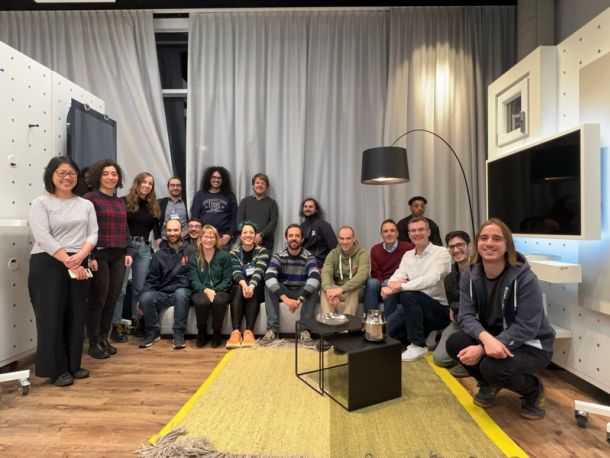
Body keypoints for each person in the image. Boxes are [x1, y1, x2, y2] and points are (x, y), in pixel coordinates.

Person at [446, 218, 555, 420]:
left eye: (497, 238)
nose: (489, 243)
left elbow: (526, 327)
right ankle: (489, 383)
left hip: (531, 345)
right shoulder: (470, 276)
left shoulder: (526, 278)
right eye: (484, 238)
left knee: (492, 367)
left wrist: (482, 348)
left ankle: (533, 390)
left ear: (507, 246)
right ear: (477, 244)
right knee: (454, 344)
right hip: (493, 338)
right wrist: (486, 340)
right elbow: (466, 315)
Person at [28, 156, 98, 387]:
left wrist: (81, 256)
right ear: (51, 175)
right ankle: (57, 370)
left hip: (79, 260)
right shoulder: (41, 203)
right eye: (62, 173)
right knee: (51, 317)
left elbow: (93, 233)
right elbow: (42, 235)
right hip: (48, 263)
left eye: (71, 173)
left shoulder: (85, 204)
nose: (67, 177)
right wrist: (69, 260)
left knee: (76, 314)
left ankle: (73, 365)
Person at [83, 160, 133, 359]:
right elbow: (85, 229)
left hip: (118, 254)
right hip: (99, 255)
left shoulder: (120, 202)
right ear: (98, 176)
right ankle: (93, 341)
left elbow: (125, 229)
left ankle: (104, 338)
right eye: (106, 173)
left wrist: (129, 251)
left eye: (114, 174)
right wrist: (91, 255)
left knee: (112, 299)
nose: (111, 177)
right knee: (98, 299)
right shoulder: (90, 199)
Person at [383, 216, 451, 362]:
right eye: (413, 231)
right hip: (413, 307)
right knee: (387, 333)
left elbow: (432, 279)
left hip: (438, 310)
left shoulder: (442, 252)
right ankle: (420, 335)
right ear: (409, 234)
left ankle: (418, 345)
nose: (417, 233)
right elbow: (396, 276)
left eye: (421, 230)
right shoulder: (408, 255)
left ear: (428, 232)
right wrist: (391, 285)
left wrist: (401, 286)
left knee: (408, 294)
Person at [110, 172, 161, 343]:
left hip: (144, 249)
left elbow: (156, 228)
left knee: (140, 288)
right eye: (144, 182)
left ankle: (137, 322)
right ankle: (116, 325)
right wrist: (126, 249)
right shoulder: (123, 202)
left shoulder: (153, 205)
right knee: (121, 288)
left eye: (150, 183)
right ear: (137, 183)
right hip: (126, 247)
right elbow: (119, 226)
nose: (147, 185)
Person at [138, 219, 197, 350]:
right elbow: (151, 280)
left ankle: (178, 333)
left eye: (175, 230)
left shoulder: (192, 251)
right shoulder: (159, 255)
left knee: (181, 293)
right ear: (165, 232)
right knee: (145, 298)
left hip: (184, 292)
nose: (172, 233)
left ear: (182, 231)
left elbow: (197, 275)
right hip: (164, 294)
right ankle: (153, 332)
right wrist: (142, 299)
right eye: (169, 230)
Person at [261, 224, 321, 346]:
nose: (294, 238)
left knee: (314, 286)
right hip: (285, 290)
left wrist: (299, 300)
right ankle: (273, 330)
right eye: (291, 236)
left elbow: (315, 276)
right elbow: (269, 275)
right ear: (286, 238)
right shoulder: (279, 255)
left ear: (302, 239)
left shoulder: (308, 256)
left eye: (297, 236)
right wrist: (286, 300)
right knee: (269, 285)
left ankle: (303, 331)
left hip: (301, 291)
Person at [432, 230, 471, 378]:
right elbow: (452, 306)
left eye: (460, 245)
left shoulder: (482, 270)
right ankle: (465, 352)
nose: (456, 250)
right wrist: (453, 311)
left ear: (469, 246)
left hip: (480, 320)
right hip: (459, 321)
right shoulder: (449, 278)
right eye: (451, 247)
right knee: (439, 359)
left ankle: (474, 361)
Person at [226, 221, 271, 349]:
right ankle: (235, 332)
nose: (248, 235)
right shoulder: (233, 252)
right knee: (237, 288)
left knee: (254, 289)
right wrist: (244, 285)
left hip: (256, 287)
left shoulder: (263, 251)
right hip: (240, 286)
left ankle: (249, 332)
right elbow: (236, 272)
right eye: (245, 232)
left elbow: (259, 271)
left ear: (255, 235)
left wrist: (250, 286)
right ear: (240, 236)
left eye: (251, 232)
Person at [189, 224, 233, 348]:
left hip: (221, 290)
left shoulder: (225, 256)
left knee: (219, 301)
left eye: (212, 237)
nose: (208, 240)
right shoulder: (194, 258)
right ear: (200, 239)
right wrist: (205, 289)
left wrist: (215, 290)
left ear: (216, 239)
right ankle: (201, 332)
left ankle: (217, 332)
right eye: (206, 237)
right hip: (201, 290)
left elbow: (227, 279)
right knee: (201, 302)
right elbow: (194, 280)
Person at [363, 219, 414, 316]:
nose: (389, 234)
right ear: (381, 234)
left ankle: (389, 321)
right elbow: (375, 273)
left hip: (399, 283)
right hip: (381, 282)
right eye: (385, 231)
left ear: (397, 233)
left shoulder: (408, 248)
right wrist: (384, 283)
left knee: (388, 283)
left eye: (392, 230)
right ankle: (370, 319)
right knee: (371, 282)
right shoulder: (375, 249)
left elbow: (410, 271)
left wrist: (391, 283)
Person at [320, 226, 370, 316]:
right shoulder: (333, 254)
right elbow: (326, 272)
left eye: (348, 238)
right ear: (338, 239)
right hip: (338, 289)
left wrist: (341, 289)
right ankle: (329, 320)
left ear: (354, 239)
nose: (345, 242)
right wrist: (329, 290)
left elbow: (363, 275)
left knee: (354, 288)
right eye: (342, 238)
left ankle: (347, 321)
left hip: (357, 291)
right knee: (325, 289)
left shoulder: (362, 253)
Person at [190, 166, 237, 250]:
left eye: (219, 178)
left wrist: (229, 234)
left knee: (222, 258)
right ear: (209, 178)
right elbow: (195, 218)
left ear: (223, 180)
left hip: (222, 239)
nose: (216, 180)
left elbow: (234, 218)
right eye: (213, 177)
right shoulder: (200, 195)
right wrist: (199, 235)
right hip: (204, 237)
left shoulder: (229, 195)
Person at [236, 173, 279, 250]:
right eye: (257, 183)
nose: (260, 185)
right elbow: (239, 221)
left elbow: (273, 223)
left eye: (263, 183)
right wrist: (249, 236)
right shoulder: (244, 202)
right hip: (246, 242)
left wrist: (261, 235)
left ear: (267, 187)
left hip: (266, 244)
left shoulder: (272, 203)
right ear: (253, 185)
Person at [300, 197, 337, 268]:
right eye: (305, 206)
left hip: (319, 263)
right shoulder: (302, 226)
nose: (307, 209)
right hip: (303, 261)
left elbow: (334, 247)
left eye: (310, 207)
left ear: (316, 210)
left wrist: (329, 266)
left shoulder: (324, 225)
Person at [156, 176, 189, 243]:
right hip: (165, 240)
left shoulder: (187, 203)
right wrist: (157, 238)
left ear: (181, 187)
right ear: (168, 187)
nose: (175, 188)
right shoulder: (160, 202)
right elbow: (155, 222)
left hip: (184, 240)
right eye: (172, 185)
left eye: (178, 185)